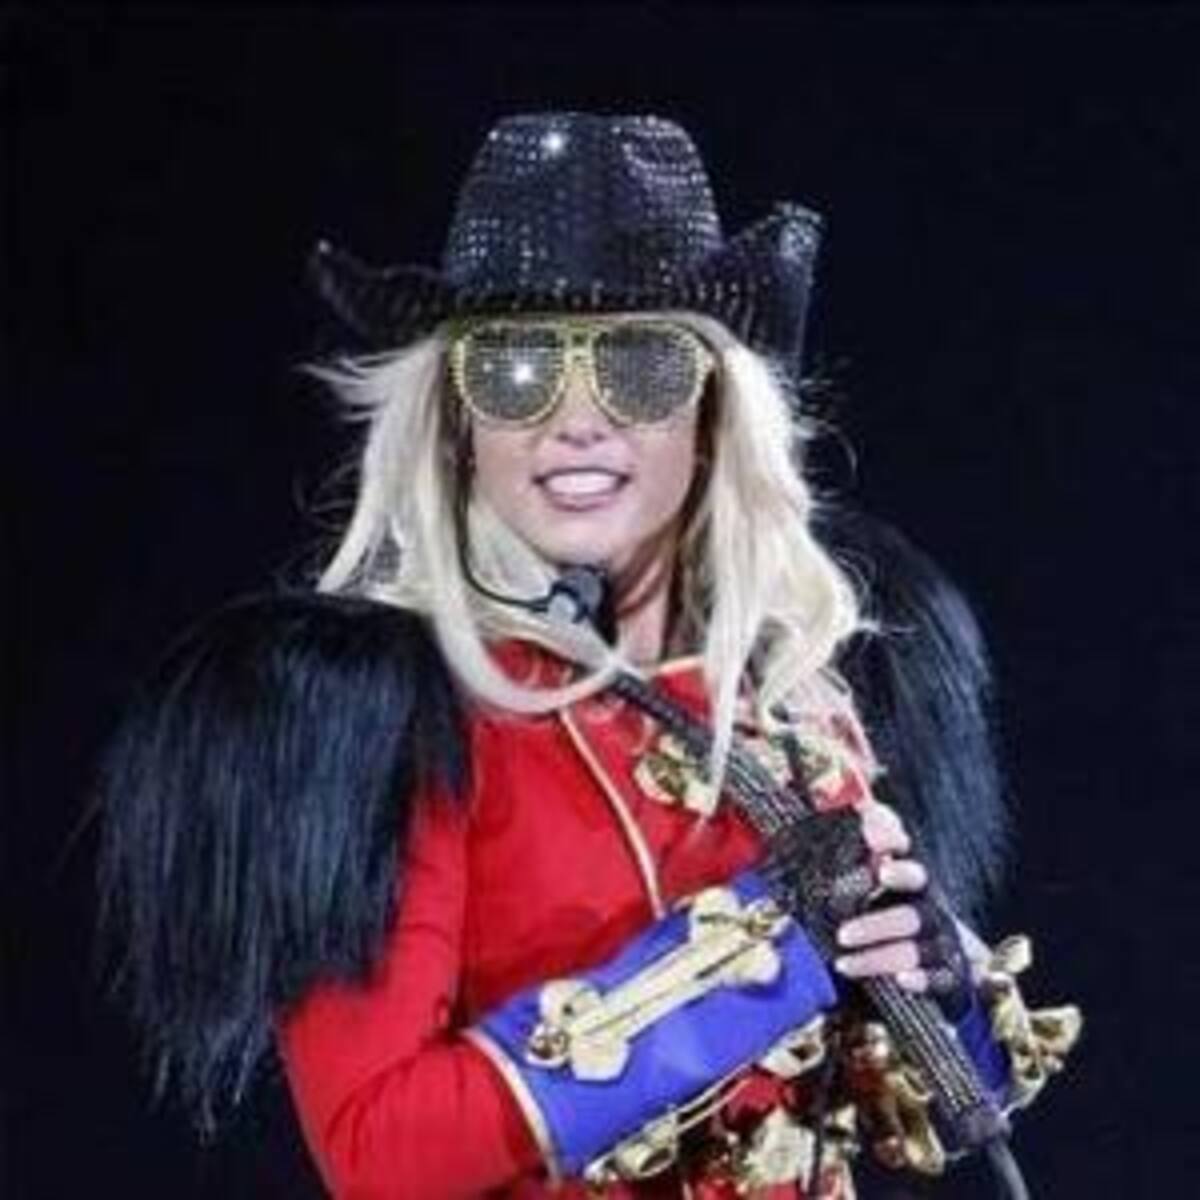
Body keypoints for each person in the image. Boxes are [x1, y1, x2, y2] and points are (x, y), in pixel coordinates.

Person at [96, 113, 1080, 1199]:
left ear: (714, 411)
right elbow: (379, 1153)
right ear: (456, 420)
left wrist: (940, 985)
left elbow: (945, 1102)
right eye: (514, 369)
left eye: (641, 366)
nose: (575, 420)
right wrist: (755, 962)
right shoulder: (383, 719)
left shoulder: (811, 687)